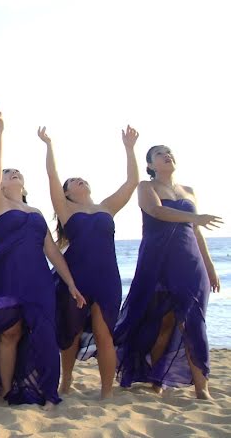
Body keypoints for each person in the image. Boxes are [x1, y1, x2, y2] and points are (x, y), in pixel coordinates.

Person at [0, 106, 85, 408]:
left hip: (37, 280)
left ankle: (48, 393)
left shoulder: (35, 213)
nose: (12, 173)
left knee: (44, 333)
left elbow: (52, 251)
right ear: (2, 185)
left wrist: (71, 283)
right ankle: (7, 390)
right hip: (6, 278)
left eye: (16, 171)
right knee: (9, 332)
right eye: (9, 173)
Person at [114, 144, 223, 399]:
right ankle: (156, 377)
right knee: (160, 322)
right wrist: (195, 218)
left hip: (189, 261)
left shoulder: (189, 191)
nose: (167, 155)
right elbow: (157, 211)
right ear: (150, 165)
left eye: (169, 152)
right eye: (160, 154)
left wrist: (210, 267)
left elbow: (196, 232)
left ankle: (201, 387)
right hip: (157, 260)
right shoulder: (146, 187)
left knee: (193, 322)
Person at [37, 125, 139, 399]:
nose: (79, 181)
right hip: (77, 278)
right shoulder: (66, 209)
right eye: (74, 181)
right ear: (67, 193)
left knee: (105, 333)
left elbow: (131, 183)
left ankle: (106, 392)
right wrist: (49, 145)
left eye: (82, 179)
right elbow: (52, 175)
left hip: (107, 279)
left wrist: (129, 149)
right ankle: (66, 378)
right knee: (69, 336)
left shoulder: (107, 207)